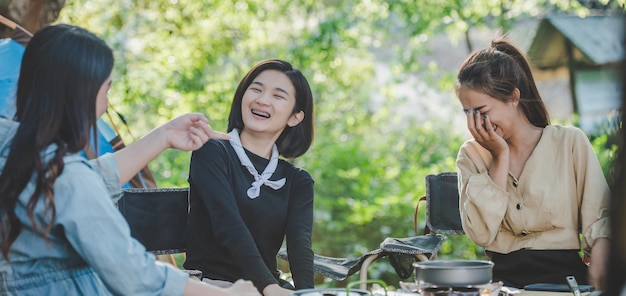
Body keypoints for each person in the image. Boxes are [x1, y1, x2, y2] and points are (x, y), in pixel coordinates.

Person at [0, 24, 260, 296]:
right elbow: (134, 274)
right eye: (106, 90)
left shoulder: (13, 146)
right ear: (84, 95)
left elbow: (86, 180)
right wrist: (230, 294)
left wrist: (164, 136)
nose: (106, 103)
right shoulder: (67, 177)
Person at [454, 39, 610, 289]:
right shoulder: (471, 155)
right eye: (467, 113)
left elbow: (601, 218)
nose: (476, 124)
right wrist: (500, 156)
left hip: (563, 283)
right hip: (502, 285)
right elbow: (481, 233)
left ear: (513, 97)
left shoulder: (569, 142)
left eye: (482, 111)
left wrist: (603, 255)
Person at [184, 59, 316, 296]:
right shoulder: (212, 151)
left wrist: (307, 294)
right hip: (211, 286)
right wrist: (271, 289)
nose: (262, 100)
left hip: (265, 288)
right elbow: (228, 226)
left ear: (295, 117)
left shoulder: (298, 180)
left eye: (278, 95)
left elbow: (300, 247)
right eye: (256, 89)